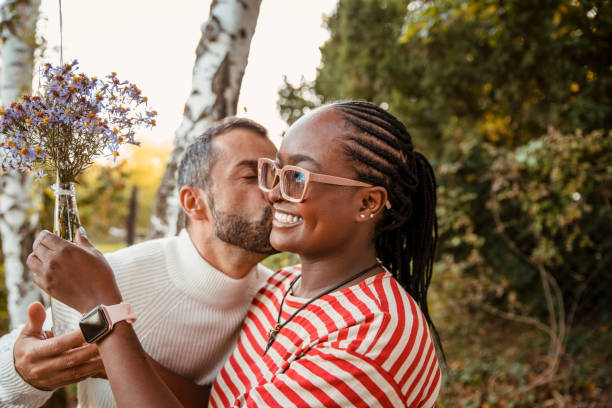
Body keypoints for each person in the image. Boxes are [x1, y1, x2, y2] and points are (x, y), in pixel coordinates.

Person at [29, 101, 443, 407]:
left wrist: (104, 311)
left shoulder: (372, 335)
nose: (274, 191)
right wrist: (104, 360)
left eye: (297, 175)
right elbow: (219, 402)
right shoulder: (280, 288)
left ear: (367, 204)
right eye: (273, 172)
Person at [0, 117, 278, 407]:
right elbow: (19, 363)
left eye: (277, 176)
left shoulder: (281, 301)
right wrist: (20, 372)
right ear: (194, 203)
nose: (277, 192)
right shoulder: (115, 277)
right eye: (251, 176)